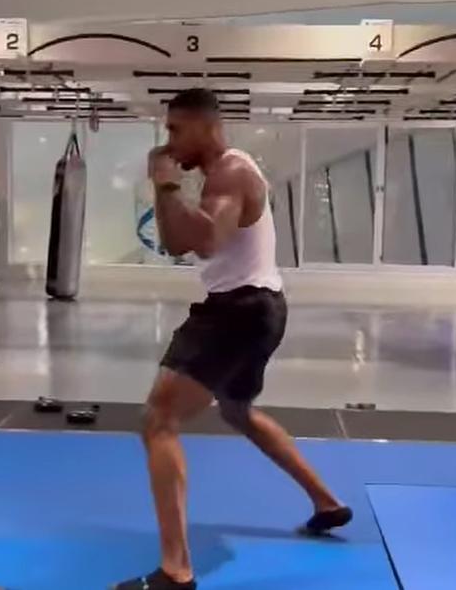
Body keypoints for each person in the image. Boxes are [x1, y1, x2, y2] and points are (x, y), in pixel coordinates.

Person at [113, 88, 352, 590]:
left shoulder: (230, 172)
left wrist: (167, 183)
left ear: (206, 126)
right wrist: (165, 187)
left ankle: (176, 572)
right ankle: (327, 503)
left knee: (158, 420)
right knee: (237, 411)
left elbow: (205, 241)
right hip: (256, 309)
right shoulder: (215, 175)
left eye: (176, 129)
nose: (169, 140)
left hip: (238, 311)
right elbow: (176, 242)